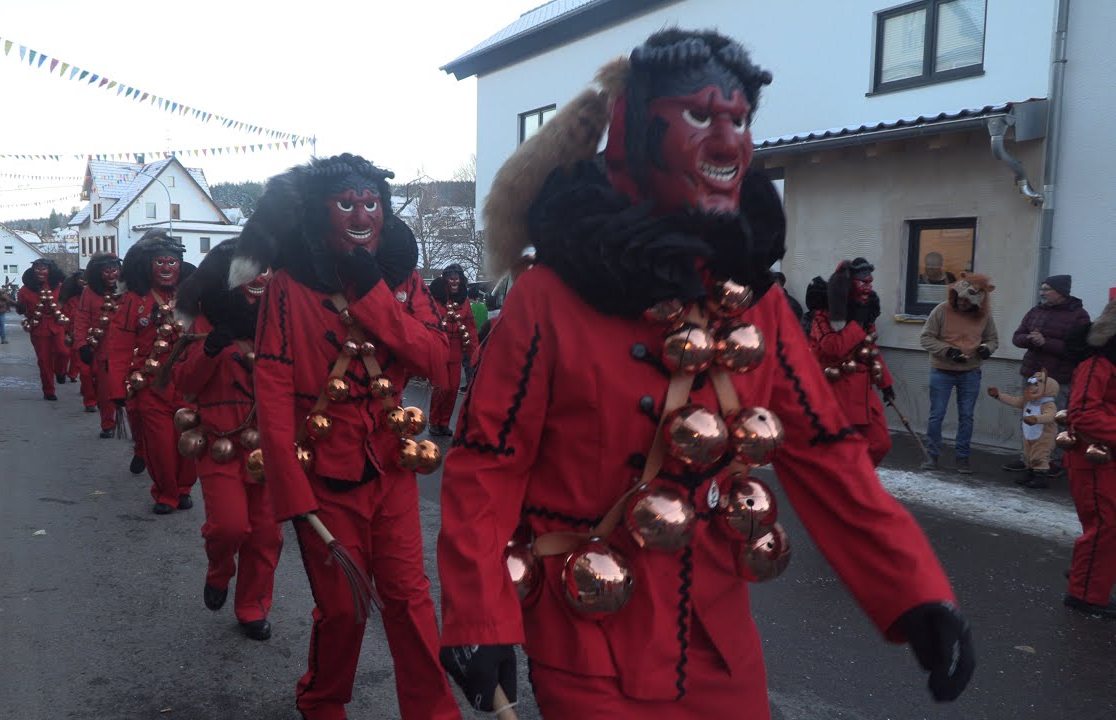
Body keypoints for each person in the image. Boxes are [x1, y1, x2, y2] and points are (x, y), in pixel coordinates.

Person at [434, 28, 974, 718]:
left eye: (739, 120)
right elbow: (487, 464)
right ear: (634, 130)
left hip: (719, 640)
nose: (728, 143)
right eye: (699, 116)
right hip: (590, 631)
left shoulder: (760, 301)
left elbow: (828, 453)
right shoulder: (547, 297)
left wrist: (915, 590)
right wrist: (479, 616)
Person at [231, 153, 462, 720]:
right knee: (344, 608)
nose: (362, 212)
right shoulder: (286, 286)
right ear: (322, 212)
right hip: (324, 475)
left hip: (391, 466)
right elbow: (275, 386)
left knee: (410, 601)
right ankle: (321, 698)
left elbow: (440, 362)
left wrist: (375, 296)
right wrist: (291, 491)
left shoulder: (403, 280)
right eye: (347, 202)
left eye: (371, 201)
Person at [169, 239, 284, 641]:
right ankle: (219, 570)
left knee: (267, 535)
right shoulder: (202, 323)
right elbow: (183, 384)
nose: (260, 278)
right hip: (220, 441)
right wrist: (211, 350)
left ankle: (252, 606)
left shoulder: (284, 322)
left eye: (266, 269)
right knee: (229, 528)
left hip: (269, 446)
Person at [104, 231, 198, 514]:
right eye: (160, 262)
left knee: (189, 440)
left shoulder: (193, 296)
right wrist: (117, 391)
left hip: (188, 382)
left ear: (180, 265)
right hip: (151, 385)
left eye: (172, 261)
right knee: (160, 446)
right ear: (149, 266)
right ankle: (166, 493)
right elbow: (119, 347)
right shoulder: (134, 300)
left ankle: (184, 488)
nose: (167, 267)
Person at [807, 258, 895, 466]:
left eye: (870, 283)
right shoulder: (822, 316)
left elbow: (871, 350)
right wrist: (856, 323)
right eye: (863, 283)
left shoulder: (865, 314)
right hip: (837, 392)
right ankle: (845, 484)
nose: (868, 287)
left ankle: (855, 479)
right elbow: (833, 346)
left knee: (879, 443)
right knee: (840, 449)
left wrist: (886, 384)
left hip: (864, 394)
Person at [1059, 297, 1116, 618]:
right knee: (1105, 524)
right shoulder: (1098, 363)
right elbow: (1083, 412)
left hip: (1107, 455)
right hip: (1093, 457)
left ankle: (1091, 574)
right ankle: (1084, 593)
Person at [1009, 274, 1089, 475]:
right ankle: (1027, 458)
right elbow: (1017, 337)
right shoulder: (1035, 311)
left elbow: (1079, 350)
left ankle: (1053, 462)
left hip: (1058, 377)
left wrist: (1046, 343)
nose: (1042, 293)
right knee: (1028, 419)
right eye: (1042, 289)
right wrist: (1029, 338)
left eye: (1046, 289)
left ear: (1060, 293)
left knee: (1053, 420)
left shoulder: (1079, 316)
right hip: (1032, 375)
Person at [918, 273, 998, 473]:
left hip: (970, 372)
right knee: (936, 415)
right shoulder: (941, 310)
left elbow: (992, 340)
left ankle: (962, 458)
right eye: (960, 298)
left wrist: (986, 349)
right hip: (942, 371)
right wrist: (948, 351)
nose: (962, 303)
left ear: (977, 303)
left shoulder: (984, 316)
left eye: (968, 300)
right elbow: (926, 338)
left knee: (967, 416)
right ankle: (932, 456)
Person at [72, 252, 123, 437]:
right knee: (105, 389)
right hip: (102, 348)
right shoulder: (89, 292)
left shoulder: (127, 289)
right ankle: (108, 423)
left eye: (114, 270)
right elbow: (82, 319)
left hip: (127, 346)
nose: (112, 275)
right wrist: (82, 344)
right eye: (107, 271)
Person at [987, 372, 1059, 489]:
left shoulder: (1047, 404)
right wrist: (998, 395)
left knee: (1039, 456)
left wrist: (1036, 419)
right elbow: (1014, 400)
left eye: (1036, 385)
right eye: (1030, 384)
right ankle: (1030, 473)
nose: (1031, 387)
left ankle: (1040, 478)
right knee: (1028, 455)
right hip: (1029, 434)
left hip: (1044, 436)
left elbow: (1051, 416)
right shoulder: (1028, 401)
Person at [428, 264, 477, 436]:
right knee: (442, 387)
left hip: (456, 350)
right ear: (446, 280)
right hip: (440, 349)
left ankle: (444, 422)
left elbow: (470, 327)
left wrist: (474, 353)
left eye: (457, 276)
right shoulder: (437, 298)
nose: (454, 279)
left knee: (454, 388)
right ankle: (434, 421)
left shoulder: (464, 301)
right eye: (451, 276)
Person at [15, 259, 70, 401]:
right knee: (44, 360)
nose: (40, 271)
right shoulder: (25, 289)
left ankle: (61, 371)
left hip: (56, 323)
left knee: (63, 351)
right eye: (38, 268)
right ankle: (49, 390)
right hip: (38, 326)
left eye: (44, 268)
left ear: (49, 271)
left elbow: (66, 303)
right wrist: (19, 307)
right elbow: (20, 309)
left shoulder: (59, 286)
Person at [58, 271, 87, 400]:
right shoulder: (71, 299)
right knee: (66, 353)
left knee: (77, 355)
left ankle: (73, 374)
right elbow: (65, 313)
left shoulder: (87, 297)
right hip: (69, 329)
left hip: (82, 330)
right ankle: (63, 371)